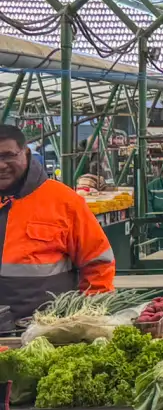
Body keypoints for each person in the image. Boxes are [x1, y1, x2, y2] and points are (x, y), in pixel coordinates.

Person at [0, 125, 115, 321]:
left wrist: (89, 315)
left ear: (26, 153)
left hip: (46, 326)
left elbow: (98, 262)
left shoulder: (63, 201)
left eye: (8, 155)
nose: (1, 165)